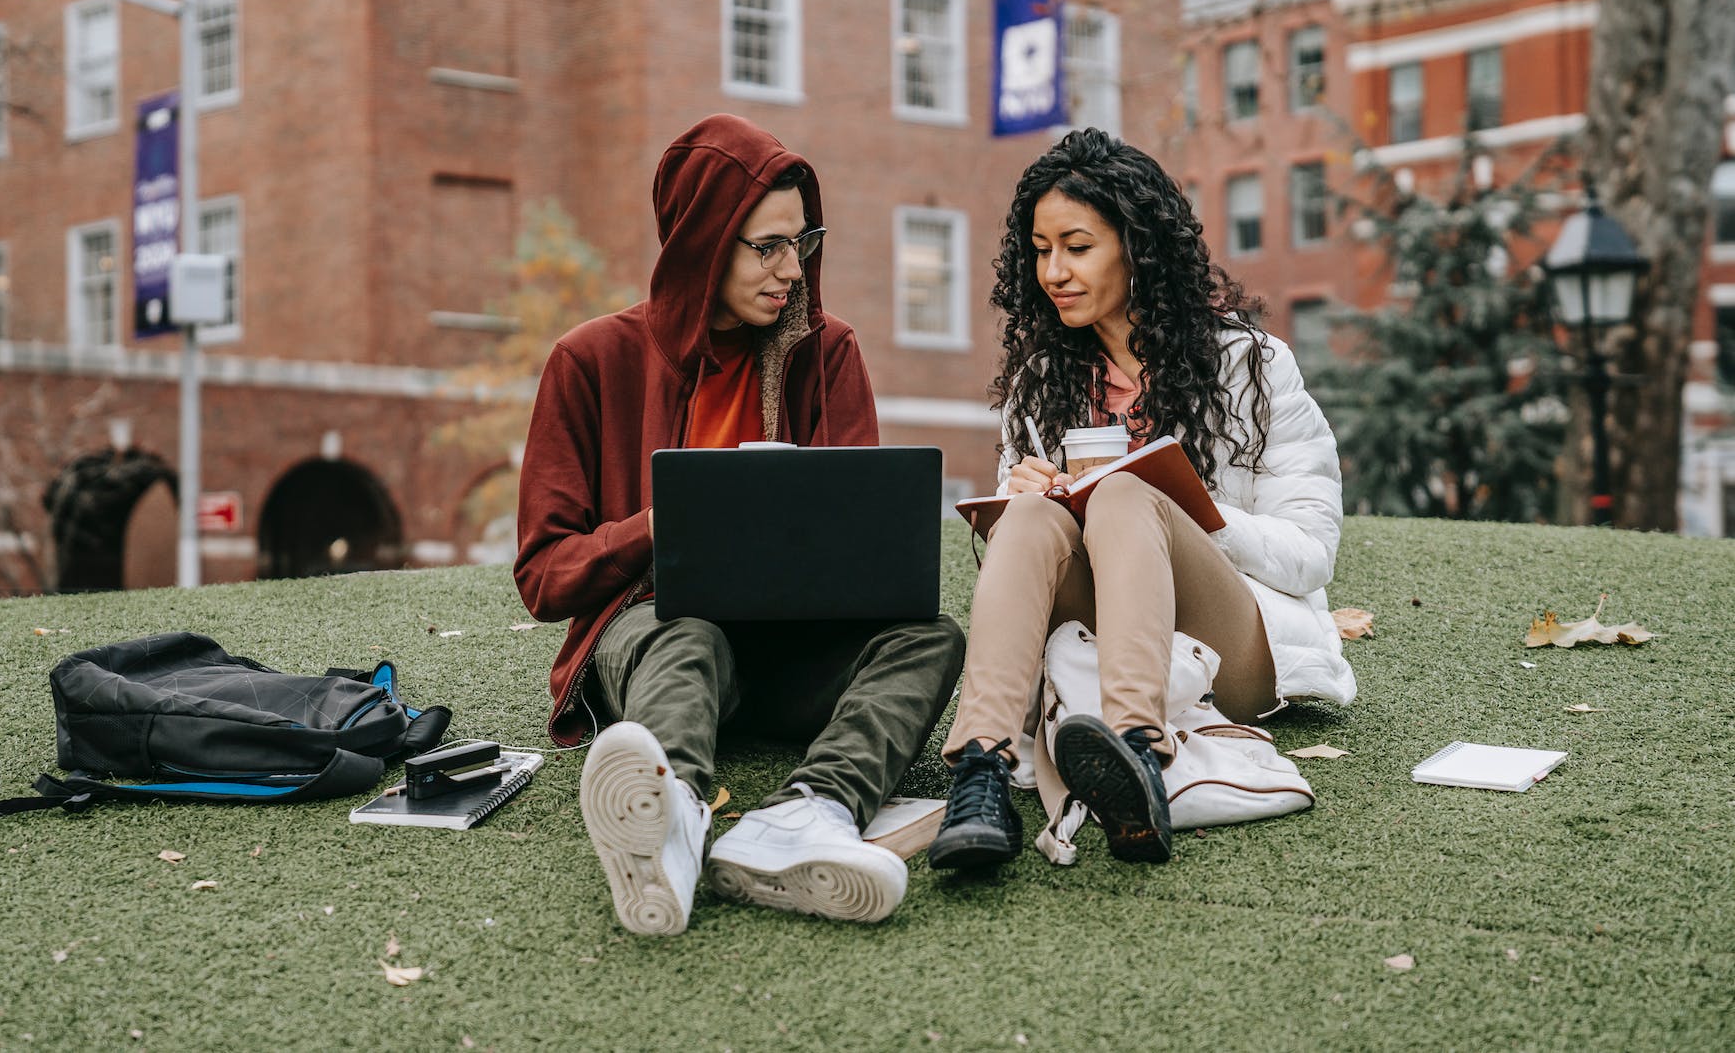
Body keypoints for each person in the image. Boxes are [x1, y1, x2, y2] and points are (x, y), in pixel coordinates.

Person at [514, 114, 965, 935]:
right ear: (702, 244)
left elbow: (863, 543)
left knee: (932, 634)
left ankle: (808, 813)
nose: (793, 267)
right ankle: (674, 820)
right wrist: (664, 524)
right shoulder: (590, 361)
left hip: (793, 655)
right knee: (689, 633)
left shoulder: (829, 353)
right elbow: (543, 575)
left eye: (804, 241)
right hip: (658, 636)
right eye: (768, 246)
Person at [926, 128, 1356, 871]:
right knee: (1030, 512)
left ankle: (1135, 749)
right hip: (1089, 636)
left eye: (1077, 246)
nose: (1053, 270)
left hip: (1229, 646)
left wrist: (1181, 509)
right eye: (1040, 249)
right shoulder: (1041, 383)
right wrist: (1020, 500)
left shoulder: (1250, 367)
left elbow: (1311, 554)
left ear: (1137, 246)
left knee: (1127, 492)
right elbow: (1027, 573)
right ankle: (981, 771)